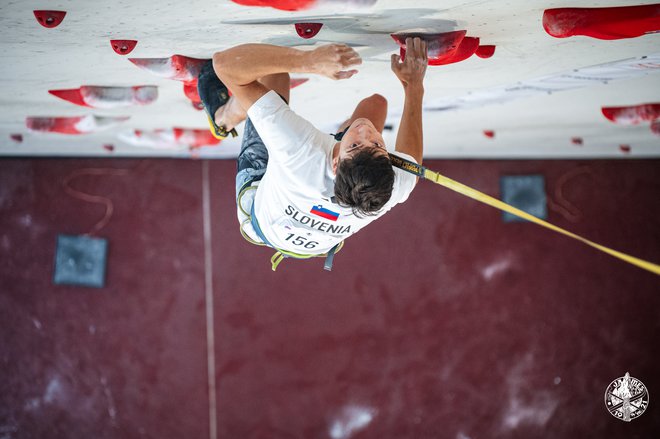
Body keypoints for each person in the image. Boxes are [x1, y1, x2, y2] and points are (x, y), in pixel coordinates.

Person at [199, 37, 428, 270]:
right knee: (376, 105)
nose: (365, 131)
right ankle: (352, 145)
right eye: (377, 145)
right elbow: (412, 161)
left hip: (265, 220)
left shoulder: (298, 150)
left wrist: (309, 61)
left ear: (337, 163)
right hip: (317, 231)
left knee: (274, 76)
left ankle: (223, 117)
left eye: (355, 145)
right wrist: (414, 84)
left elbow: (224, 64)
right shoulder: (396, 183)